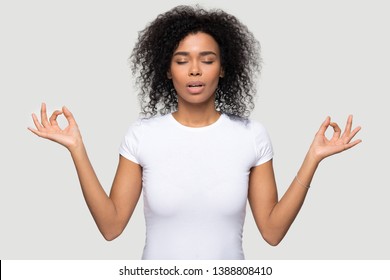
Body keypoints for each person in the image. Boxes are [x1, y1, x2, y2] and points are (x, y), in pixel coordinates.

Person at [28, 5, 362, 260]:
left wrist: (313, 158)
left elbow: (273, 232)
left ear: (223, 68)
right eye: (182, 60)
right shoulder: (142, 135)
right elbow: (111, 226)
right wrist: (77, 149)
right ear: (167, 70)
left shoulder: (251, 135)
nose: (195, 70)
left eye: (207, 59)